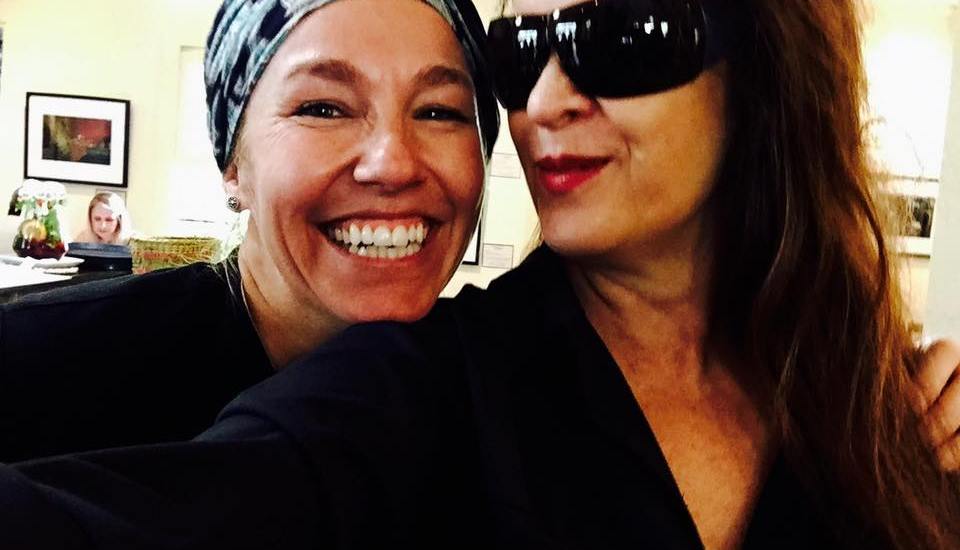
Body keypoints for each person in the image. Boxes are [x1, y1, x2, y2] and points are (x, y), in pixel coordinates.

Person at [0, 0, 959, 548]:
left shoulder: (865, 392)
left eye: (624, 37)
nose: (546, 99)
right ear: (232, 160)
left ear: (763, 70)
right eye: (522, 49)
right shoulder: (412, 387)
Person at [0, 0, 497, 463]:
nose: (393, 165)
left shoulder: (498, 405)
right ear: (235, 167)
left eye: (439, 111)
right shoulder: (37, 365)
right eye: (323, 109)